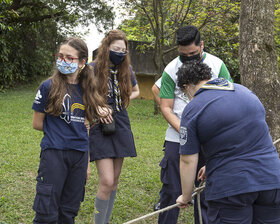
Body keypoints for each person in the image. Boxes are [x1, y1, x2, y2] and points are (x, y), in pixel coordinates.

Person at [176, 60, 280, 224]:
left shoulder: (194, 107)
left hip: (231, 188)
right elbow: (246, 137)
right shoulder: (246, 92)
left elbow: (188, 160)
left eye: (184, 93)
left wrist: (186, 196)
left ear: (186, 86)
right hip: (272, 181)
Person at [154, 25, 232, 224]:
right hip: (176, 137)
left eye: (193, 54)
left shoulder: (217, 65)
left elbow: (228, 99)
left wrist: (206, 133)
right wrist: (187, 132)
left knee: (206, 193)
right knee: (171, 191)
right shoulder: (171, 68)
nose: (188, 58)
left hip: (210, 138)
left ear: (202, 45)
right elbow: (166, 108)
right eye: (183, 55)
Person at [32, 37, 107, 223]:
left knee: (68, 211)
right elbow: (37, 123)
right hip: (54, 154)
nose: (63, 61)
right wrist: (61, 131)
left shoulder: (88, 89)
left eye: (70, 58)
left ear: (82, 62)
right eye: (60, 56)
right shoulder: (47, 86)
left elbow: (86, 127)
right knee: (46, 212)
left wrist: (87, 163)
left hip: (79, 157)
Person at [89, 29, 140, 224]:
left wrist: (126, 98)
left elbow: (136, 90)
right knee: (107, 181)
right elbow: (83, 94)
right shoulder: (92, 69)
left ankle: (105, 221)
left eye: (123, 50)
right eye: (115, 48)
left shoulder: (125, 70)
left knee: (115, 181)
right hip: (99, 124)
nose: (120, 52)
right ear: (106, 48)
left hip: (121, 123)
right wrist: (98, 106)